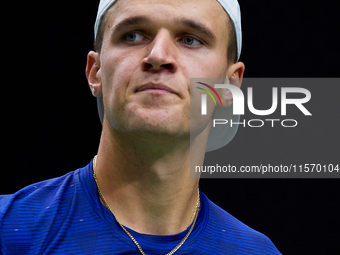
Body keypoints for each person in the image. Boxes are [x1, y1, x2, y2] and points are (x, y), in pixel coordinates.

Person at [0, 0, 282, 254]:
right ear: (95, 72)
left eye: (190, 39)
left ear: (229, 86)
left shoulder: (254, 251)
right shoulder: (9, 229)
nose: (158, 55)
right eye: (132, 35)